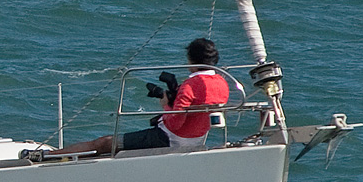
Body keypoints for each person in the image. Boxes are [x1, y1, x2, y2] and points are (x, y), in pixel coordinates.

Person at [45, 38, 230, 157]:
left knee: (104, 143)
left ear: (192, 60)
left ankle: (50, 157)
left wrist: (165, 105)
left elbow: (175, 123)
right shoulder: (223, 82)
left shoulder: (190, 85)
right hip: (196, 140)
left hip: (170, 138)